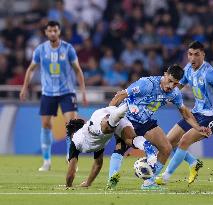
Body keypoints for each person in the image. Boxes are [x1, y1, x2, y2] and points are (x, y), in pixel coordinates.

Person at [107, 64, 211, 190]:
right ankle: (111, 180)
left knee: (166, 148)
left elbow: (185, 113)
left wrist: (198, 127)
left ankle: (149, 182)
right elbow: (121, 95)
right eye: (170, 81)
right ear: (165, 74)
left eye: (175, 83)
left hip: (145, 122)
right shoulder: (147, 84)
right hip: (127, 119)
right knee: (121, 147)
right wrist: (108, 115)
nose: (171, 86)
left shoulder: (175, 94)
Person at [155, 41, 213, 185]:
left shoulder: (209, 73)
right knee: (168, 143)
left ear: (203, 55)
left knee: (184, 141)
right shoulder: (188, 69)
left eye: (196, 54)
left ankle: (165, 177)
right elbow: (178, 86)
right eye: (190, 54)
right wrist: (165, 95)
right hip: (196, 113)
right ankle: (193, 163)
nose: (192, 58)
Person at [20, 21, 87, 171]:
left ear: (59, 32)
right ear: (46, 32)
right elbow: (31, 69)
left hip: (67, 92)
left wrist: (83, 91)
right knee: (45, 125)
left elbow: (77, 70)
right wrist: (24, 87)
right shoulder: (40, 50)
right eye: (50, 31)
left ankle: (71, 159)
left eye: (55, 31)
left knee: (71, 126)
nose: (52, 33)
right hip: (48, 93)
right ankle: (46, 161)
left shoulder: (68, 49)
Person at [65, 103, 157, 188]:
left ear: (72, 134)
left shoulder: (75, 140)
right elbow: (98, 164)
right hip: (113, 114)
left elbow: (71, 173)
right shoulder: (97, 145)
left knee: (107, 128)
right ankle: (145, 145)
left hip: (103, 119)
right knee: (130, 140)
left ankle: (125, 106)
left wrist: (68, 185)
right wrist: (88, 183)